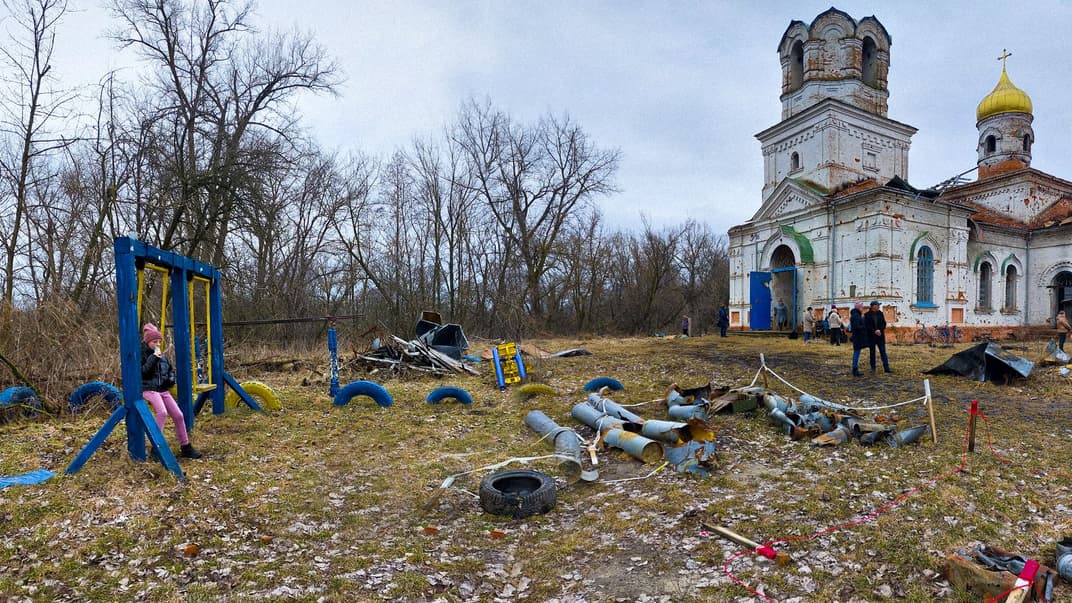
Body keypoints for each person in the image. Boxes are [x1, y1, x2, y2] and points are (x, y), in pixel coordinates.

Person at [141, 323, 202, 459]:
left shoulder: (163, 357)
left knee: (179, 415)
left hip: (162, 389)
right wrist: (153, 358)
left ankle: (186, 447)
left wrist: (170, 379)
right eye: (154, 342)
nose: (157, 344)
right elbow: (143, 372)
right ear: (147, 341)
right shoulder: (142, 354)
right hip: (148, 388)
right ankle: (156, 448)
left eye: (158, 341)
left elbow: (170, 371)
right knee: (162, 413)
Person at [864, 301, 892, 373]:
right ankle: (873, 368)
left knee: (883, 352)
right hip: (872, 336)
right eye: (877, 305)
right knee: (872, 353)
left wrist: (880, 329)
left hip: (880, 336)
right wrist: (874, 331)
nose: (879, 307)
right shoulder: (867, 315)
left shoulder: (880, 313)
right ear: (873, 306)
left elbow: (884, 323)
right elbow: (867, 326)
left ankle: (886, 368)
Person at [849, 302, 868, 376]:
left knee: (857, 352)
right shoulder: (856, 316)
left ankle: (855, 368)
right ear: (859, 308)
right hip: (857, 337)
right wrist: (864, 326)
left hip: (857, 336)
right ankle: (855, 369)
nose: (862, 308)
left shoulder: (856, 315)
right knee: (856, 352)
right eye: (861, 307)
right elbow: (857, 327)